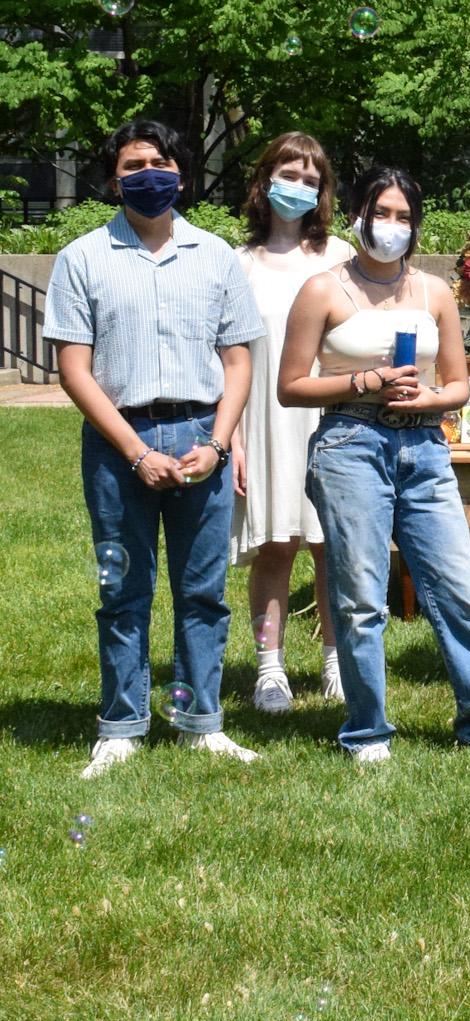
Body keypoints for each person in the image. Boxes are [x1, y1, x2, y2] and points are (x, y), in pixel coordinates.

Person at [48, 119, 268, 779]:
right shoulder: (82, 258)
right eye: (133, 163)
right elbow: (74, 369)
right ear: (113, 178)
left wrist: (218, 441)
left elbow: (238, 360)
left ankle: (202, 720)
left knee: (203, 589)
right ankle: (120, 724)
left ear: (181, 172)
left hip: (203, 432)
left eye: (160, 161)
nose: (149, 173)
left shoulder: (216, 255)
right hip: (121, 440)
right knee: (124, 589)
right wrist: (136, 451)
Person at [278, 168, 470, 764]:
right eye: (380, 213)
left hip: (425, 446)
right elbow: (290, 386)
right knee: (361, 597)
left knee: (459, 589)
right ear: (357, 216)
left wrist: (428, 399)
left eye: (403, 216)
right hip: (350, 442)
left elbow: (459, 385)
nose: (391, 226)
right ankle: (367, 730)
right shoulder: (322, 290)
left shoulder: (434, 292)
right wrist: (365, 380)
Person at [232, 131, 353, 713]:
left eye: (311, 179)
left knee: (334, 546)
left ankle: (337, 662)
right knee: (274, 547)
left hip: (330, 418)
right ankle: (270, 669)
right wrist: (228, 438)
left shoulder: (341, 258)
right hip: (262, 421)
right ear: (264, 179)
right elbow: (224, 357)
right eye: (289, 174)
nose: (298, 187)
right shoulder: (237, 264)